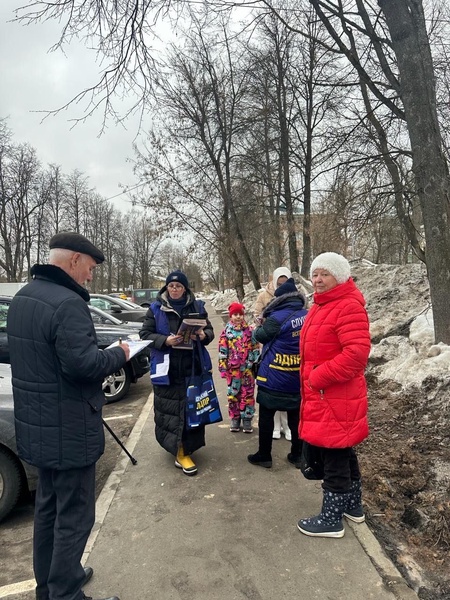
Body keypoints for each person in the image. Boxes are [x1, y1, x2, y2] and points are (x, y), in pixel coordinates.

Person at [7, 232, 130, 600]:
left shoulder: (23, 297)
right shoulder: (67, 304)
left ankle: (51, 585)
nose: (91, 277)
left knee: (48, 512)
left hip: (37, 428)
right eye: (90, 268)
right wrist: (121, 353)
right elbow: (85, 366)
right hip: (69, 429)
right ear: (74, 260)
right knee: (75, 517)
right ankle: (65, 592)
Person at [297, 252, 371, 539]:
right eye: (315, 274)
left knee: (334, 456)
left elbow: (356, 355)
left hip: (333, 396)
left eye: (324, 274)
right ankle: (353, 507)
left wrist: (317, 377)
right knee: (344, 451)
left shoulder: (347, 306)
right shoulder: (321, 305)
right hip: (326, 396)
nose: (317, 280)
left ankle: (331, 520)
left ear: (338, 276)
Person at [139, 270, 214, 476]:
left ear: (185, 288)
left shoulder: (197, 306)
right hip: (168, 369)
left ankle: (186, 448)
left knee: (191, 409)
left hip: (192, 366)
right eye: (171, 286)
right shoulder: (155, 308)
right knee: (173, 410)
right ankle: (180, 451)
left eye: (178, 286)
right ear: (166, 287)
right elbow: (145, 334)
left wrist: (202, 335)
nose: (174, 289)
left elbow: (209, 331)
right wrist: (165, 341)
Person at [247, 278, 308, 468]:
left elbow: (259, 336)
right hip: (298, 376)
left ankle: (264, 455)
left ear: (279, 299)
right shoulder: (308, 314)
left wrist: (258, 327)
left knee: (266, 416)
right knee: (296, 417)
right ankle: (297, 455)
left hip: (274, 375)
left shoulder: (277, 318)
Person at [254, 267, 293, 441]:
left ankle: (287, 426)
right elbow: (256, 315)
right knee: (272, 388)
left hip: (288, 348)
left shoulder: (294, 295)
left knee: (287, 388)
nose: (281, 286)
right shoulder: (264, 295)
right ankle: (276, 426)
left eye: (285, 282)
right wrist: (262, 321)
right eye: (279, 282)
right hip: (270, 345)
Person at [218, 302, 259, 433]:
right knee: (233, 394)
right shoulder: (226, 332)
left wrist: (252, 361)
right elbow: (222, 351)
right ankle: (235, 418)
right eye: (235, 314)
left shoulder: (249, 331)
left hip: (247, 370)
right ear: (231, 316)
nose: (238, 317)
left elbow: (255, 347)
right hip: (232, 371)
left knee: (248, 394)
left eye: (240, 314)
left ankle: (247, 419)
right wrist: (223, 368)